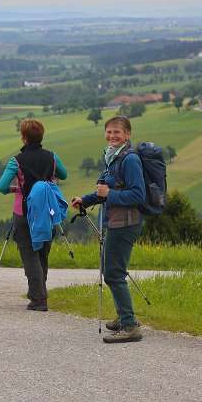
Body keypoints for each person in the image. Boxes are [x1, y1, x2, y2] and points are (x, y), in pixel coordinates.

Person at [72, 116, 146, 344]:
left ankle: (130, 325)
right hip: (114, 221)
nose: (112, 136)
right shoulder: (113, 157)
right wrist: (84, 199)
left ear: (127, 135)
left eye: (117, 133)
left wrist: (109, 195)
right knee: (111, 271)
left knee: (114, 273)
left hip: (125, 223)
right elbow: (105, 189)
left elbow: (138, 195)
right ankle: (123, 315)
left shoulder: (129, 160)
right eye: (109, 132)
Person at [0, 119, 68, 312]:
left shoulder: (16, 161)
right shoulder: (52, 157)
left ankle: (38, 298)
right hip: (47, 211)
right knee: (43, 251)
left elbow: (1, 186)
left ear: (24, 137)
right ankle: (39, 291)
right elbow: (64, 174)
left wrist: (15, 189)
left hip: (24, 212)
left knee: (29, 255)